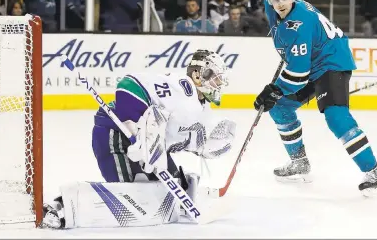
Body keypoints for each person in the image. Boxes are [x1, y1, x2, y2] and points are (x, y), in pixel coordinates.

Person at [42, 49, 236, 228]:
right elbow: (128, 85)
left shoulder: (200, 107)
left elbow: (174, 137)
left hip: (145, 147)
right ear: (197, 75)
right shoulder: (183, 88)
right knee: (132, 196)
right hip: (115, 135)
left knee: (169, 193)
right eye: (216, 79)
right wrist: (134, 124)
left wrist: (202, 146)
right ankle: (62, 205)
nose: (218, 84)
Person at [254, 0, 377, 197]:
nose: (280, 4)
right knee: (279, 107)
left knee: (336, 116)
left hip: (331, 62)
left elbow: (298, 74)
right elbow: (294, 57)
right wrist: (276, 92)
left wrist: (274, 90)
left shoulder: (300, 23)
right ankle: (299, 163)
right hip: (311, 61)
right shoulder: (272, 8)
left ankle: (374, 173)